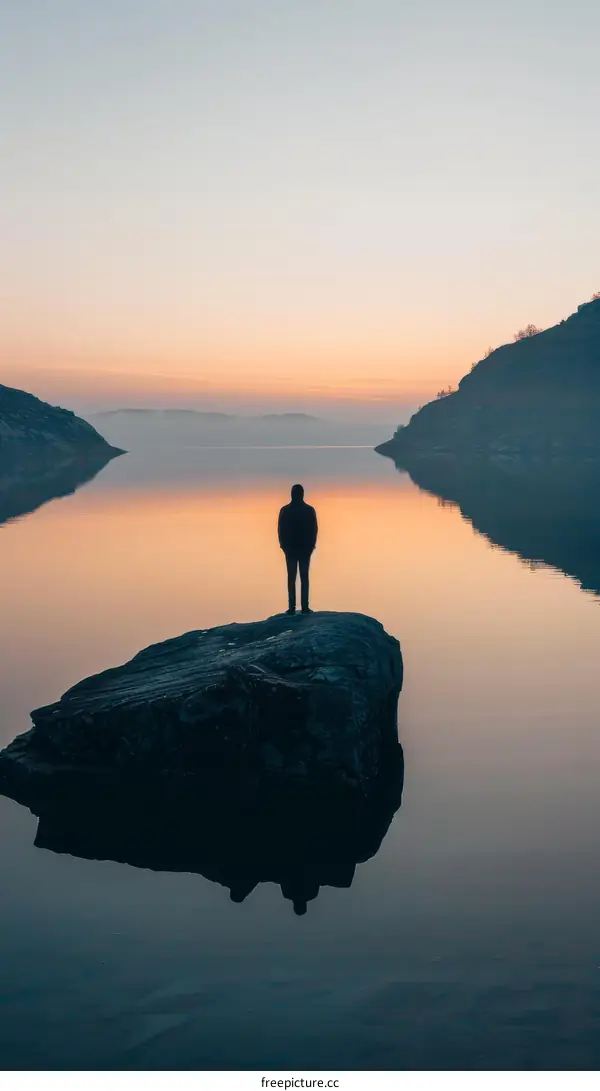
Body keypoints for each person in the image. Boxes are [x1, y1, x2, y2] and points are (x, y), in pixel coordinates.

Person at [277, 483, 318, 615]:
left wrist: (283, 545)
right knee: (302, 577)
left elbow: (280, 530)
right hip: (301, 549)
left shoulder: (285, 510)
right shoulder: (309, 510)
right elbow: (314, 530)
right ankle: (303, 607)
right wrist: (311, 545)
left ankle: (293, 608)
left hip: (294, 549)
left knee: (293, 578)